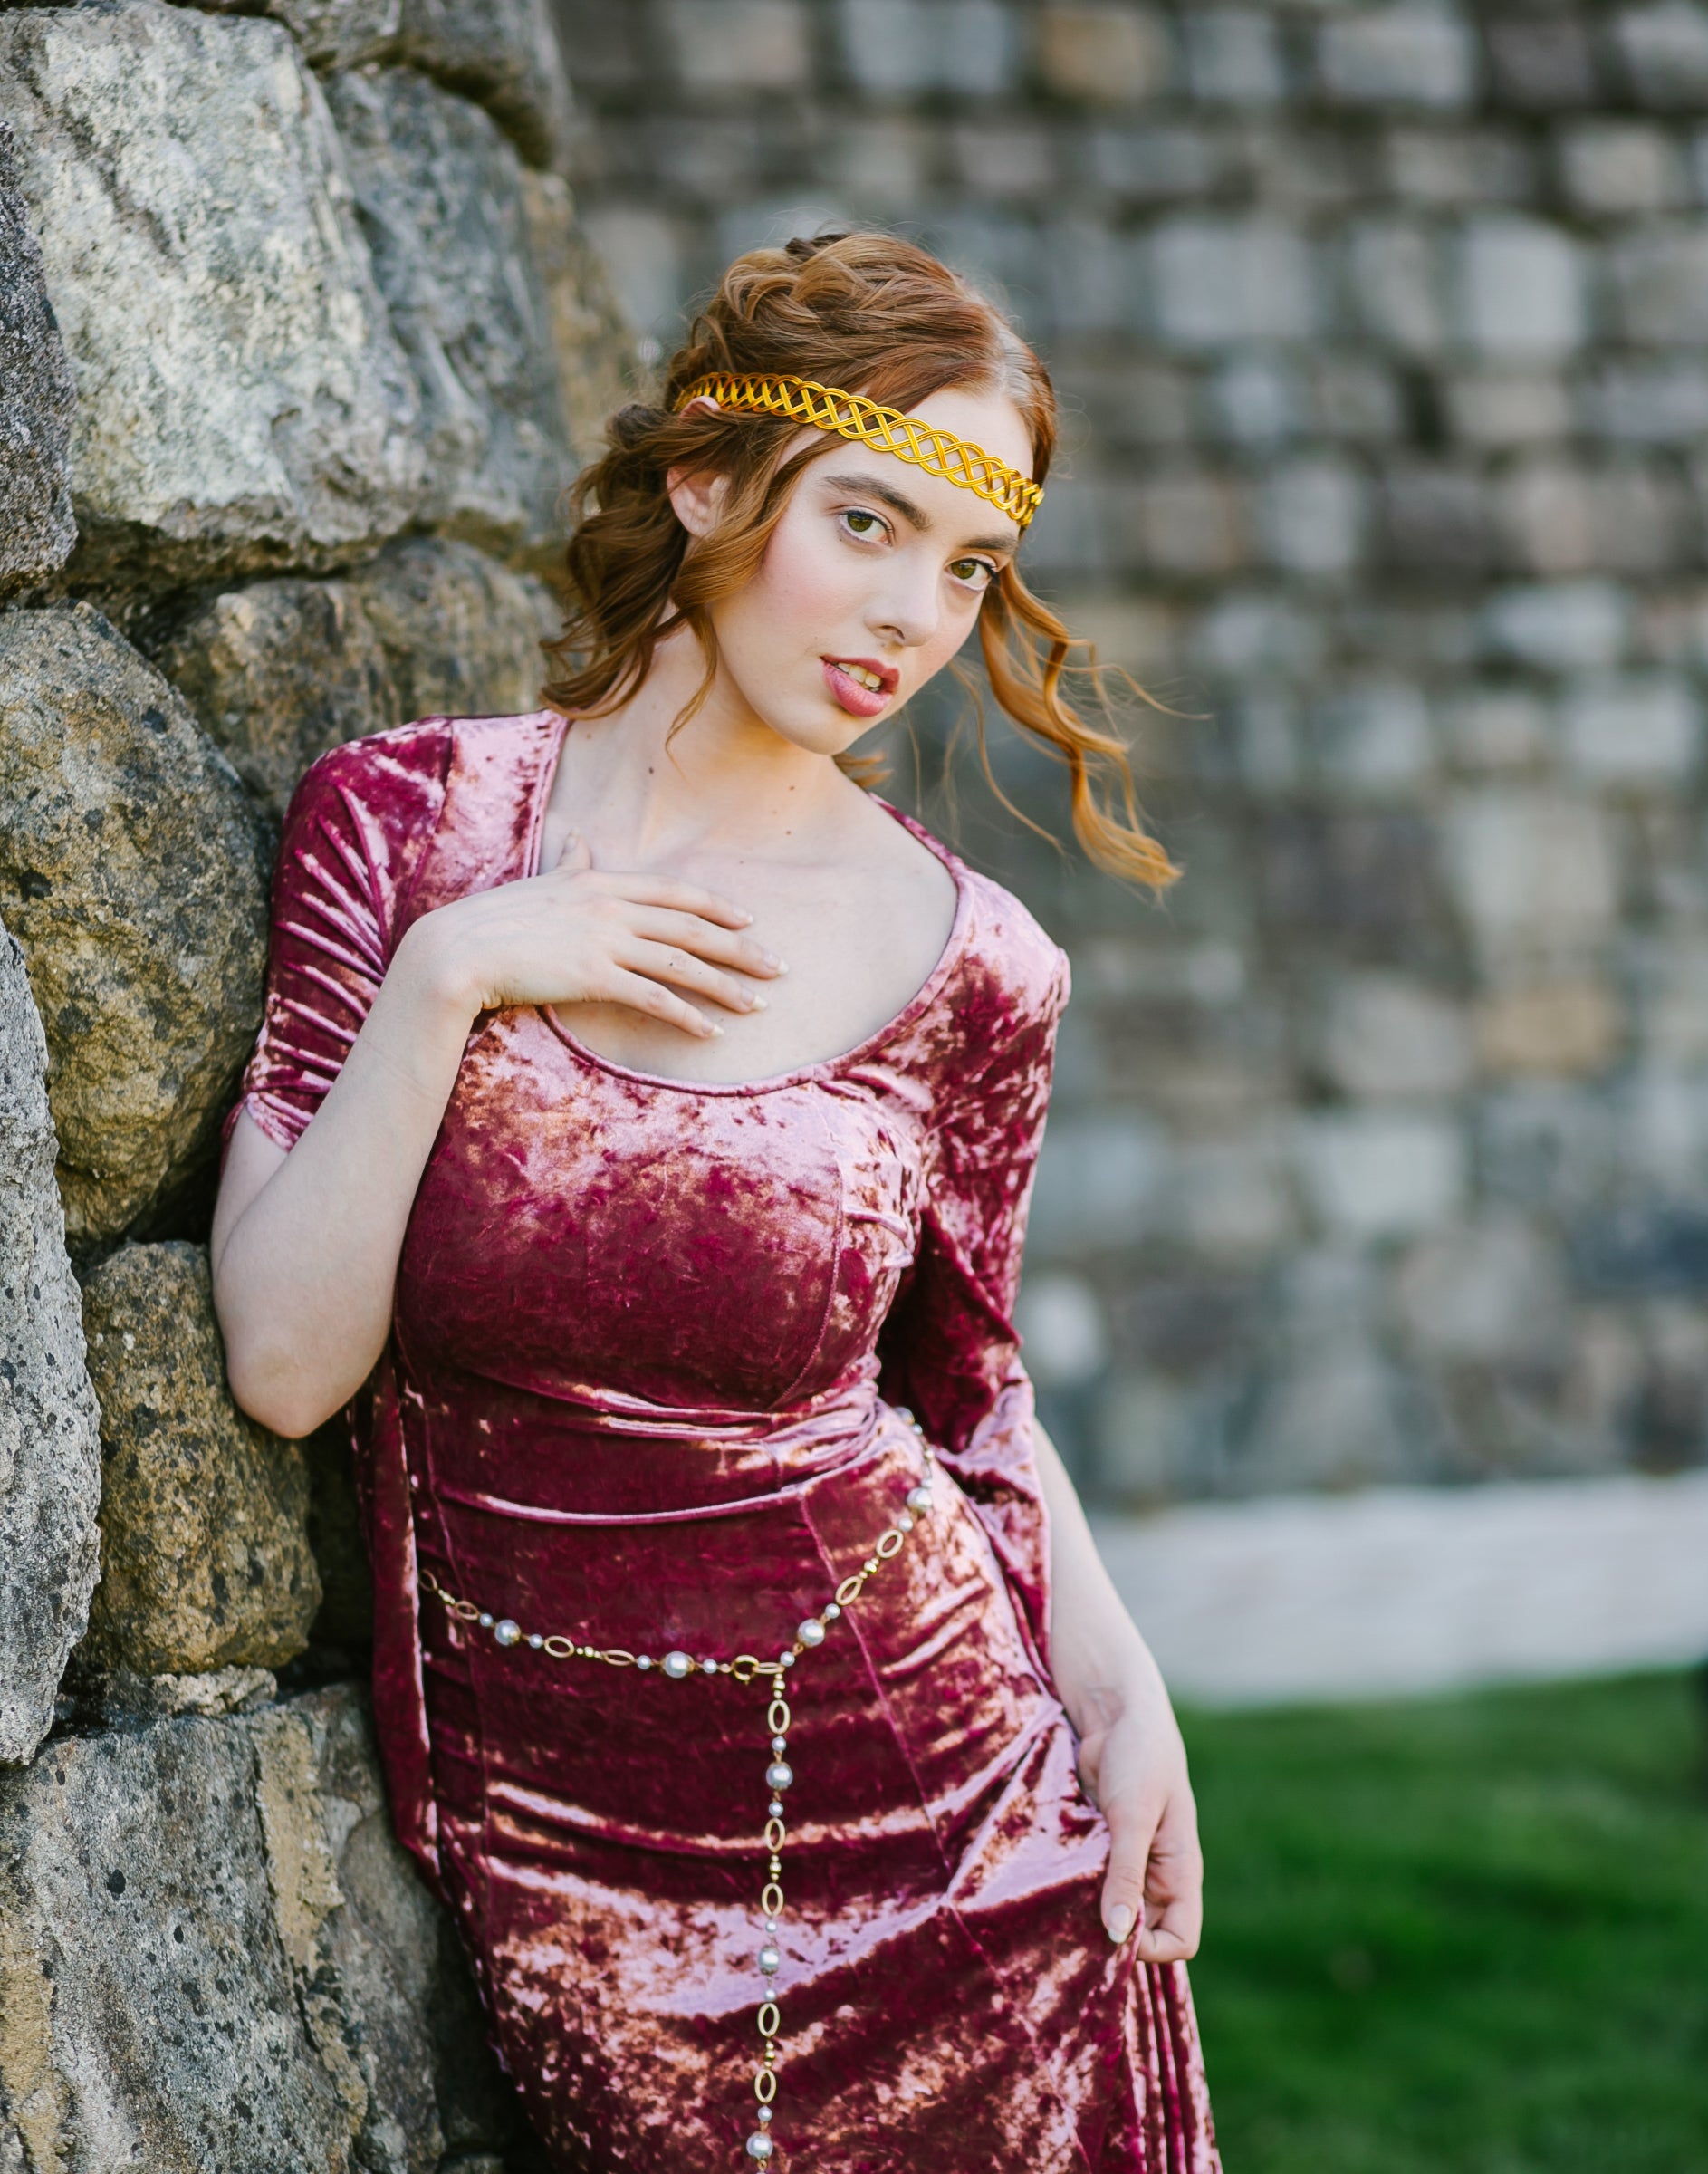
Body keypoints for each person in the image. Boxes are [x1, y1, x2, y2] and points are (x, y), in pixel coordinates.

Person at [213, 230, 1218, 2172]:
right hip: (588, 1870)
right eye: (867, 521)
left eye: (969, 565)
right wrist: (455, 974)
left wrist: (1115, 1688)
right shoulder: (410, 829)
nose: (912, 612)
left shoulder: (977, 963)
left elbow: (969, 1393)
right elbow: (285, 1363)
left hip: (969, 1811)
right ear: (703, 481)